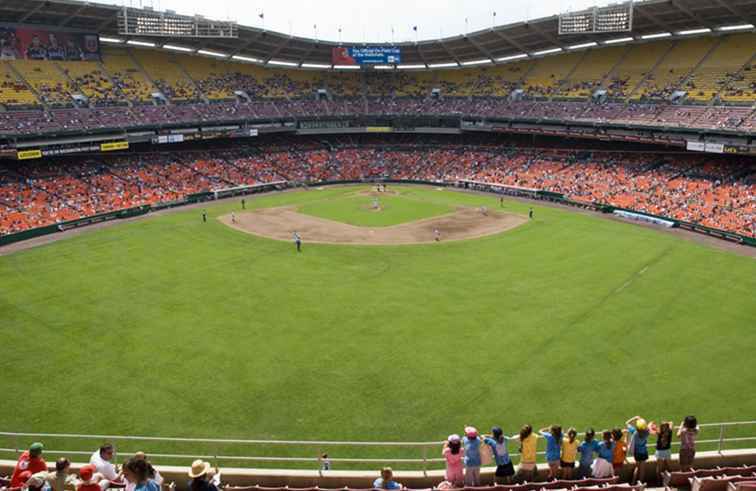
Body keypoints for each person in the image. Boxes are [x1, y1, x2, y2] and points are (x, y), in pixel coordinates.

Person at [626, 416, 650, 484]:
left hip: (637, 453)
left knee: (637, 468)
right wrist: (641, 420)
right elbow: (646, 426)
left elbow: (627, 423)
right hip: (644, 452)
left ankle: (633, 482)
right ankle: (640, 483)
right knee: (642, 469)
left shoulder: (634, 432)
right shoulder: (646, 433)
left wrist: (635, 418)